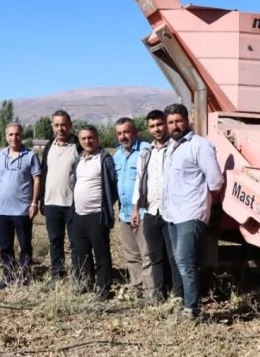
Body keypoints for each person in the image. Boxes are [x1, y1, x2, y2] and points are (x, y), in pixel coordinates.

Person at [160, 103, 223, 320]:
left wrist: (204, 205)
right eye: (170, 122)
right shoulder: (171, 147)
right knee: (179, 260)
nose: (174, 125)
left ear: (188, 121)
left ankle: (193, 310)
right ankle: (185, 302)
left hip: (191, 213)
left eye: (178, 121)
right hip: (171, 214)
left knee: (186, 262)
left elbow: (216, 181)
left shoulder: (200, 146)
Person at [130, 109, 180, 302]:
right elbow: (139, 180)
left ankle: (178, 295)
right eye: (152, 126)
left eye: (159, 124)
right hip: (151, 211)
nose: (157, 129)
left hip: (171, 212)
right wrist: (136, 208)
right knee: (155, 255)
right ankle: (159, 293)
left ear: (166, 125)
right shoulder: (146, 153)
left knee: (173, 256)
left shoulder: (175, 148)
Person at [69, 125, 118, 300]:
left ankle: (104, 288)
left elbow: (113, 187)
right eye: (83, 139)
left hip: (97, 214)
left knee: (101, 253)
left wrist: (104, 207)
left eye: (90, 138)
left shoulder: (104, 159)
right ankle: (86, 282)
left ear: (97, 139)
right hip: (79, 214)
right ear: (80, 141)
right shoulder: (79, 160)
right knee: (82, 252)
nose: (87, 141)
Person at [0, 123, 42, 288]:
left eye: (17, 134)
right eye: (11, 134)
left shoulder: (30, 155)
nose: (14, 138)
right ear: (6, 136)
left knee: (25, 244)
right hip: (2, 209)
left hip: (22, 209)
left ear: (22, 135)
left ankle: (24, 275)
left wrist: (34, 202)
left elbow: (36, 179)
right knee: (4, 245)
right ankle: (8, 274)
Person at [38, 109, 79, 284]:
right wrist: (41, 201)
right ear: (52, 126)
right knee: (55, 241)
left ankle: (79, 274)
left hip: (72, 204)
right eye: (56, 125)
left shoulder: (78, 145)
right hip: (51, 203)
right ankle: (57, 274)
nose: (60, 128)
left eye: (63, 125)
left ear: (70, 125)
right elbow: (44, 174)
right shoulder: (49, 146)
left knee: (76, 242)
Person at [111, 116, 149, 293]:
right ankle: (137, 286)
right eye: (119, 133)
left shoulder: (145, 150)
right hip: (124, 212)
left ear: (135, 132)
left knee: (147, 253)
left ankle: (152, 290)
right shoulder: (117, 155)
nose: (123, 136)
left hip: (142, 212)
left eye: (126, 132)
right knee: (131, 254)